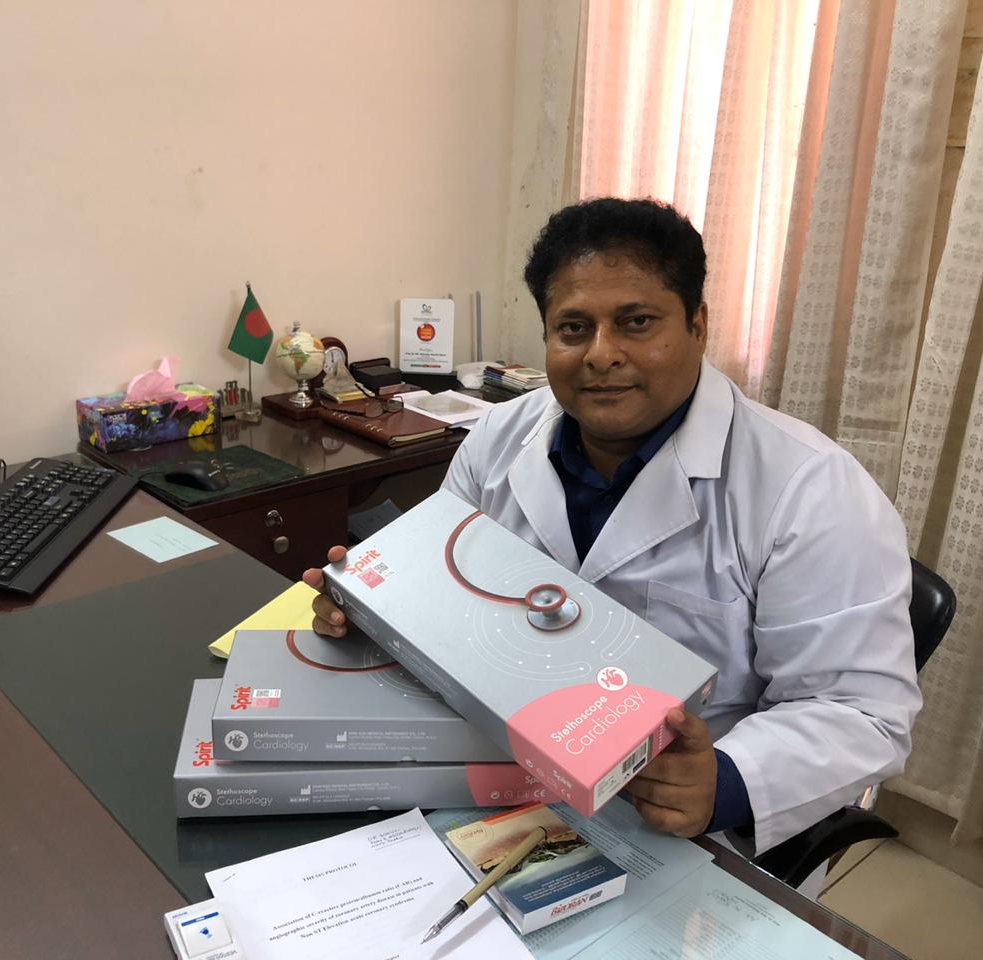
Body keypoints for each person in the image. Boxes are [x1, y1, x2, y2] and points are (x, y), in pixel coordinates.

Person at [304, 198, 921, 855]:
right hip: (501, 771)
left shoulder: (811, 489)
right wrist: (375, 612)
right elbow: (447, 593)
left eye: (636, 322)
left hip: (676, 822)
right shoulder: (497, 440)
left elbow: (862, 713)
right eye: (574, 329)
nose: (601, 355)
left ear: (698, 324)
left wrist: (727, 782)